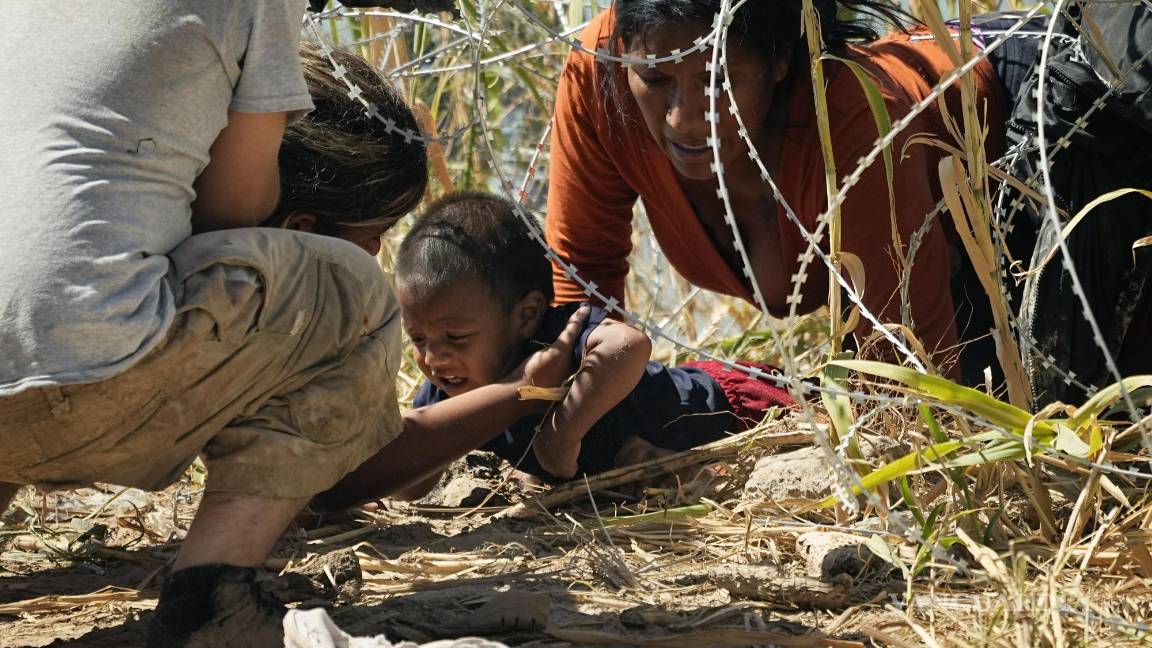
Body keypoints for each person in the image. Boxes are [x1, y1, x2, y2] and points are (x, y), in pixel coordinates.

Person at [0, 6, 430, 643]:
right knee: (352, 294)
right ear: (302, 228)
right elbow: (232, 208)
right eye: (371, 237)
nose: (372, 252)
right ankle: (211, 599)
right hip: (84, 380)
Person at [544, 0, 1014, 385]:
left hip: (1027, 148)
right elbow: (582, 276)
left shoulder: (851, 123)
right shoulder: (602, 68)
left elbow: (910, 380)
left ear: (780, 59)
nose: (684, 120)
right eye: (656, 80)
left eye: (718, 82)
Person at [326, 191, 794, 504]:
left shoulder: (558, 333)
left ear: (526, 314)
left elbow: (629, 345)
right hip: (637, 474)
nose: (433, 358)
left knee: (837, 407)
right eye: (419, 340)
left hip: (731, 408)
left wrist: (562, 434)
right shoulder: (449, 389)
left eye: (455, 338)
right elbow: (412, 482)